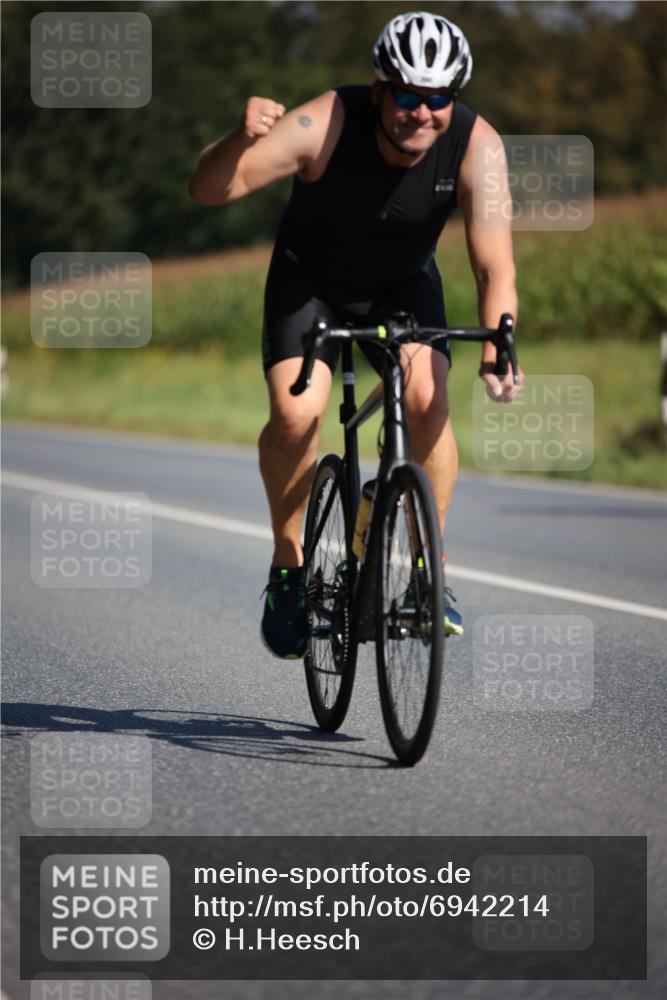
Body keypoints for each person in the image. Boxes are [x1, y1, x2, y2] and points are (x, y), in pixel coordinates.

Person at [188, 11, 522, 659]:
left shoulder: (477, 145)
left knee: (427, 400)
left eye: (437, 99)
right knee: (296, 415)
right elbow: (208, 189)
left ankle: (427, 577)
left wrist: (498, 343)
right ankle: (289, 569)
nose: (421, 112)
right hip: (309, 283)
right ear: (378, 90)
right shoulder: (324, 124)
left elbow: (494, 266)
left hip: (401, 284)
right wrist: (237, 138)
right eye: (406, 94)